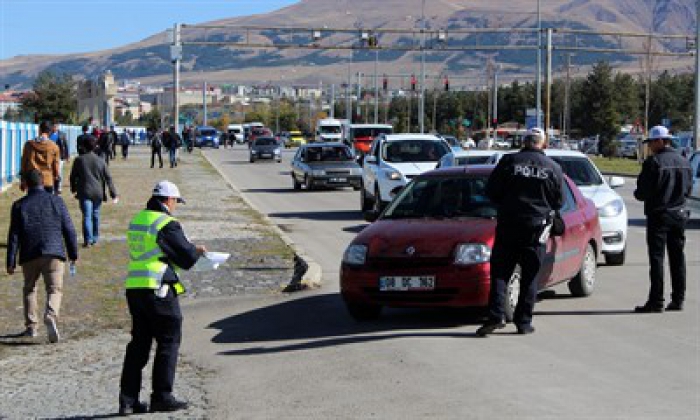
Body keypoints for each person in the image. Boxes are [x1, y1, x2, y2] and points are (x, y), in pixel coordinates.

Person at [118, 180, 206, 415]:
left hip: (135, 287)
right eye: (176, 201)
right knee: (168, 341)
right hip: (158, 288)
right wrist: (196, 251)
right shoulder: (167, 223)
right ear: (168, 200)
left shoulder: (138, 219)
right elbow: (185, 258)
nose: (176, 206)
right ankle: (162, 396)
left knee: (139, 345)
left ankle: (127, 400)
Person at [477, 127, 563, 336]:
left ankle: (496, 315)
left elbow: (491, 192)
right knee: (530, 276)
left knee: (500, 273)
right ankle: (523, 322)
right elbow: (558, 201)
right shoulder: (553, 168)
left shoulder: (508, 162)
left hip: (509, 225)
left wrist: (508, 206)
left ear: (524, 142)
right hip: (536, 229)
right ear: (543, 144)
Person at [6, 169, 78, 342]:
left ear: (25, 185)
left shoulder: (19, 205)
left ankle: (31, 326)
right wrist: (73, 253)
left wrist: (10, 261)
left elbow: (14, 236)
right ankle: (51, 315)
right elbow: (69, 229)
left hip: (29, 253)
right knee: (54, 289)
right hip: (54, 252)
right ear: (43, 182)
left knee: (29, 289)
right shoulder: (57, 201)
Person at [633, 125, 693, 313]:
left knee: (657, 259)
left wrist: (640, 193)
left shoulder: (654, 163)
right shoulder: (684, 161)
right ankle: (678, 299)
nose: (649, 146)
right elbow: (688, 190)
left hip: (659, 215)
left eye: (651, 142)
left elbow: (642, 192)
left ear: (661, 141)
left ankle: (656, 300)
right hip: (679, 214)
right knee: (677, 257)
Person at [69, 136, 119, 247]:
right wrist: (113, 194)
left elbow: (73, 176)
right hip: (98, 192)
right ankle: (95, 238)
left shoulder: (79, 160)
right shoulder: (101, 161)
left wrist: (73, 189)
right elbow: (108, 178)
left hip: (84, 191)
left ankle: (88, 239)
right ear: (95, 146)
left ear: (84, 146)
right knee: (96, 215)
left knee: (87, 216)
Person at [21, 121, 60, 194]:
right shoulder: (54, 147)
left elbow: (24, 163)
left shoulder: (28, 145)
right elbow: (56, 165)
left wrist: (23, 179)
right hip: (48, 180)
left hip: (32, 180)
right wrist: (56, 177)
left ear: (39, 130)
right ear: (50, 132)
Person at [49, 124, 70, 194]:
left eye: (56, 126)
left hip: (60, 156)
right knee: (51, 171)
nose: (54, 128)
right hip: (50, 156)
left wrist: (67, 156)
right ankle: (52, 186)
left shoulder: (62, 134)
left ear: (58, 127)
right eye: (53, 126)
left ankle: (59, 187)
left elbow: (65, 145)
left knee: (59, 171)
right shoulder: (49, 134)